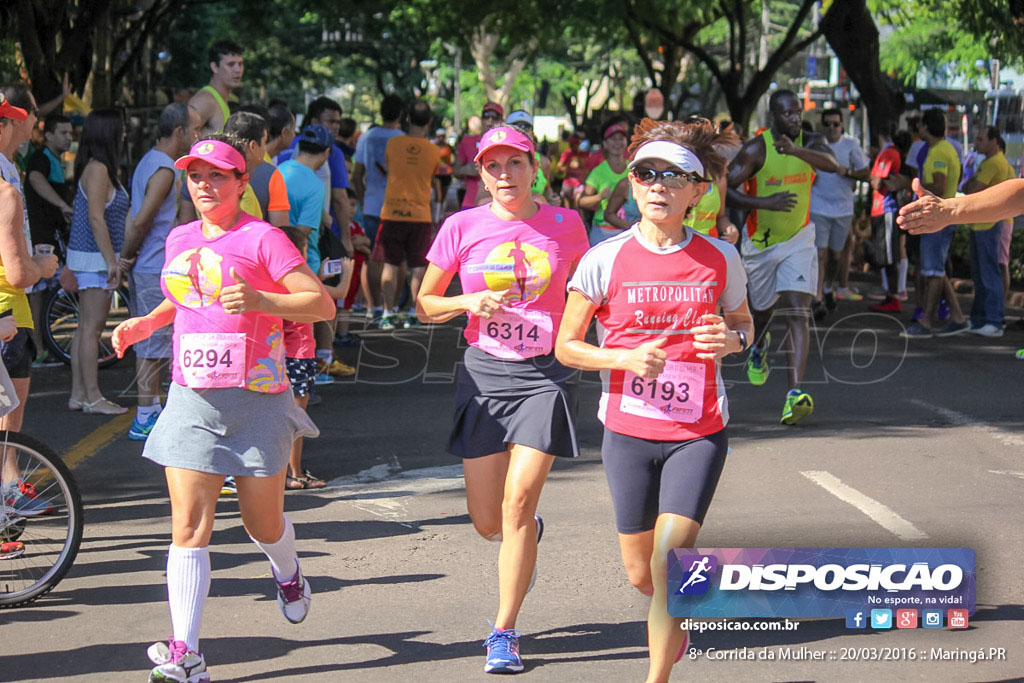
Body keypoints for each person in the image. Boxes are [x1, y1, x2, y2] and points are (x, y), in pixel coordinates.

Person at [111, 136, 335, 682]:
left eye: (217, 176)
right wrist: (146, 323)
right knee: (188, 525)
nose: (205, 186)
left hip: (256, 397)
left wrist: (263, 301)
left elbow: (320, 302)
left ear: (240, 183)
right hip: (192, 396)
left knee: (262, 521)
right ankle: (186, 652)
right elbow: (185, 296)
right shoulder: (182, 236)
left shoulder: (263, 239)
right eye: (196, 176)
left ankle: (287, 571)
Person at [556, 117, 751, 683]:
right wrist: (622, 359)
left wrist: (733, 339)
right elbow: (566, 346)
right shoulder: (603, 258)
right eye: (647, 173)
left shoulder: (721, 258)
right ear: (634, 184)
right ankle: (679, 621)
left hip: (698, 430)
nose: (658, 185)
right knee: (642, 573)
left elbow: (744, 324)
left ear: (697, 191)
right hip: (628, 431)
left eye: (675, 175)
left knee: (668, 565)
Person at [416, 126, 589, 674]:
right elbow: (425, 304)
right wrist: (470, 299)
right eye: (493, 166)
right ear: (481, 174)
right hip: (484, 375)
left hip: (546, 375)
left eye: (515, 163)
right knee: (488, 520)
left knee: (518, 504)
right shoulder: (460, 226)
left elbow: (589, 296)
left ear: (533, 167)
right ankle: (525, 537)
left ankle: (504, 631)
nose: (505, 175)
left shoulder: (566, 223)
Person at [725, 89, 841, 425]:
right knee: (761, 314)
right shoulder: (756, 148)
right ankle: (759, 347)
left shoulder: (812, 141)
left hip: (799, 239)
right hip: (761, 245)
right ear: (774, 117)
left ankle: (794, 394)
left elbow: (833, 166)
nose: (795, 118)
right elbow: (725, 189)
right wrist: (764, 203)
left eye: (797, 112)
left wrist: (797, 151)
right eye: (788, 114)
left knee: (797, 310)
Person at [119, 102, 201, 440]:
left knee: (152, 342)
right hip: (154, 265)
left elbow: (133, 216)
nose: (198, 136)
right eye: (194, 130)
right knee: (152, 345)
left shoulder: (148, 162)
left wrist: (126, 259)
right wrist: (125, 258)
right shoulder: (166, 169)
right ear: (179, 132)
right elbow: (141, 220)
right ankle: (145, 415)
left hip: (149, 264)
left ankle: (150, 411)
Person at [0, 90, 59, 517]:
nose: (37, 119)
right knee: (6, 422)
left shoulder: (12, 171)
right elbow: (18, 271)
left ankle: (8, 490)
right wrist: (42, 265)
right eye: (32, 111)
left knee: (9, 423)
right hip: (5, 310)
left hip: (12, 311)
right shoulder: (5, 190)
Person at [66, 108, 131, 415]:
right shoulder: (98, 168)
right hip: (95, 259)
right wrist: (111, 263)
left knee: (84, 328)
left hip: (91, 257)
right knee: (93, 328)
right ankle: (92, 396)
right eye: (121, 129)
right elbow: (96, 218)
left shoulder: (96, 167)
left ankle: (80, 394)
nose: (125, 134)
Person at [900, 109, 969, 338]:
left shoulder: (939, 151)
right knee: (936, 269)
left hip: (938, 219)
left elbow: (938, 187)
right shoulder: (945, 148)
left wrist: (914, 186)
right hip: (941, 217)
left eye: (920, 125)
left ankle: (926, 322)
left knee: (933, 272)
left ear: (925, 128)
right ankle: (957, 317)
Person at [377, 99, 441, 330]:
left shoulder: (393, 145)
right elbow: (433, 178)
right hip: (419, 214)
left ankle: (387, 312)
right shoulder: (434, 151)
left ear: (407, 118)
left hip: (392, 212)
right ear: (430, 121)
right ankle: (415, 312)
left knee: (390, 264)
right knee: (417, 267)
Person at [809, 108, 871, 311]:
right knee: (820, 253)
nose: (831, 128)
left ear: (842, 126)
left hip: (842, 209)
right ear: (822, 126)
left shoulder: (851, 146)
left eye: (835, 124)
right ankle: (817, 297)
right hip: (818, 206)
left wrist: (849, 172)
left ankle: (828, 286)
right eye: (827, 124)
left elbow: (866, 173)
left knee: (836, 256)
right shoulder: (815, 146)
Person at [24, 113, 73, 364]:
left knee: (45, 295)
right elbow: (34, 178)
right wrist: (62, 205)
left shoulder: (55, 160)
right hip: (39, 237)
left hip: (52, 236)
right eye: (63, 133)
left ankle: (42, 345)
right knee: (37, 294)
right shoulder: (40, 158)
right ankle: (37, 349)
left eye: (70, 133)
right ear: (49, 135)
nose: (69, 138)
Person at [352, 95, 406, 320]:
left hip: (372, 205)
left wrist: (364, 201)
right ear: (401, 115)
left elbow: (357, 176)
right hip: (399, 207)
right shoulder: (404, 140)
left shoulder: (367, 137)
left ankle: (372, 307)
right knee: (397, 258)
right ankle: (390, 307)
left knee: (372, 257)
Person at [962, 126, 1014, 337]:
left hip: (990, 224)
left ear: (994, 141)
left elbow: (972, 188)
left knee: (989, 273)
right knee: (981, 274)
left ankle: (993, 321)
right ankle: (981, 319)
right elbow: (970, 187)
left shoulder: (995, 163)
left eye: (981, 138)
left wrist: (969, 183)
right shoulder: (988, 162)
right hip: (982, 223)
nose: (977, 141)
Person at [867, 129, 913, 313]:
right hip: (883, 209)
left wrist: (872, 177)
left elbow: (877, 183)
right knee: (886, 254)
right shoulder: (890, 152)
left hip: (886, 209)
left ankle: (894, 297)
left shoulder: (888, 153)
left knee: (889, 255)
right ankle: (891, 295)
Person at [225, 109, 290, 226]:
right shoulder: (270, 175)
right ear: (253, 146)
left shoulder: (201, 173)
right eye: (265, 142)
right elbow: (281, 229)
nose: (265, 149)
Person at [579, 119, 631, 245]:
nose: (617, 143)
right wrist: (600, 197)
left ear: (626, 143)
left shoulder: (633, 169)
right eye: (613, 139)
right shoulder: (598, 172)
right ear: (605, 144)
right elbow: (581, 201)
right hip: (603, 230)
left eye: (621, 138)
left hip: (628, 230)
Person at [454, 102, 503, 210]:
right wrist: (466, 169)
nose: (490, 120)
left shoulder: (506, 145)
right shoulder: (467, 141)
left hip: (498, 204)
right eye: (486, 116)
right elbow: (455, 170)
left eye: (495, 117)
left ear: (501, 120)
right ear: (481, 119)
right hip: (470, 202)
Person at [189, 40, 244, 135]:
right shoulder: (204, 100)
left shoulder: (225, 99)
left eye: (240, 64)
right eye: (231, 64)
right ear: (214, 67)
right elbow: (179, 139)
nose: (238, 70)